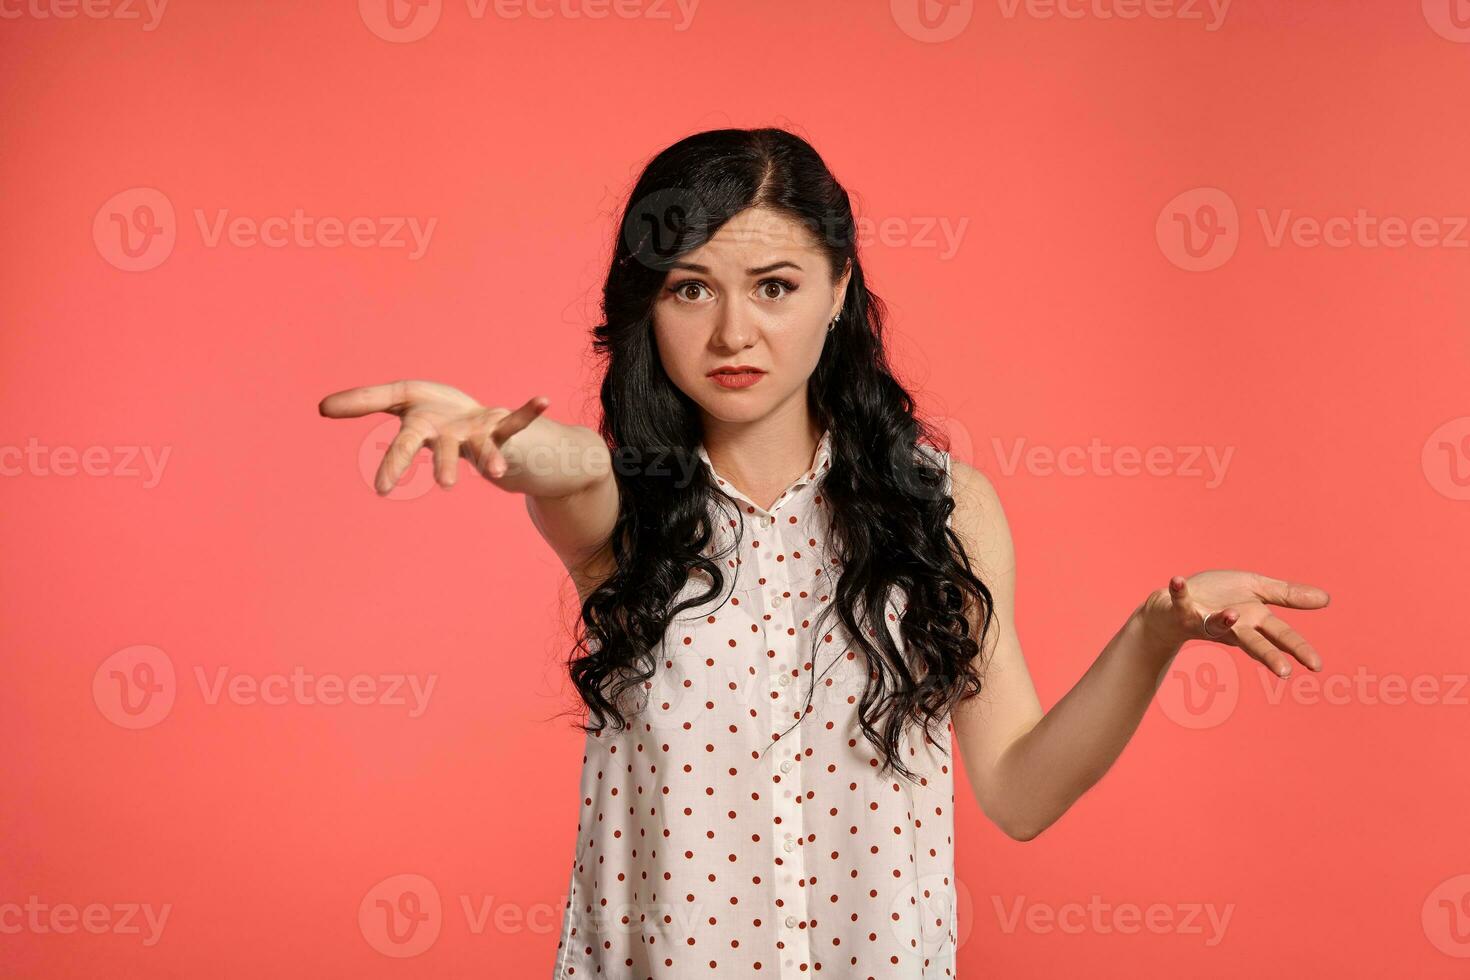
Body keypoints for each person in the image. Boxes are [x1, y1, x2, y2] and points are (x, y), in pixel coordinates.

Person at [318, 127, 1330, 979]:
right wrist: (497, 433)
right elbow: (565, 461)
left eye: (773, 284)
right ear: (648, 307)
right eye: (688, 288)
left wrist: (1155, 631)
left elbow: (1020, 790)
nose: (732, 330)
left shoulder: (944, 508)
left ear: (839, 287)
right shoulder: (631, 501)